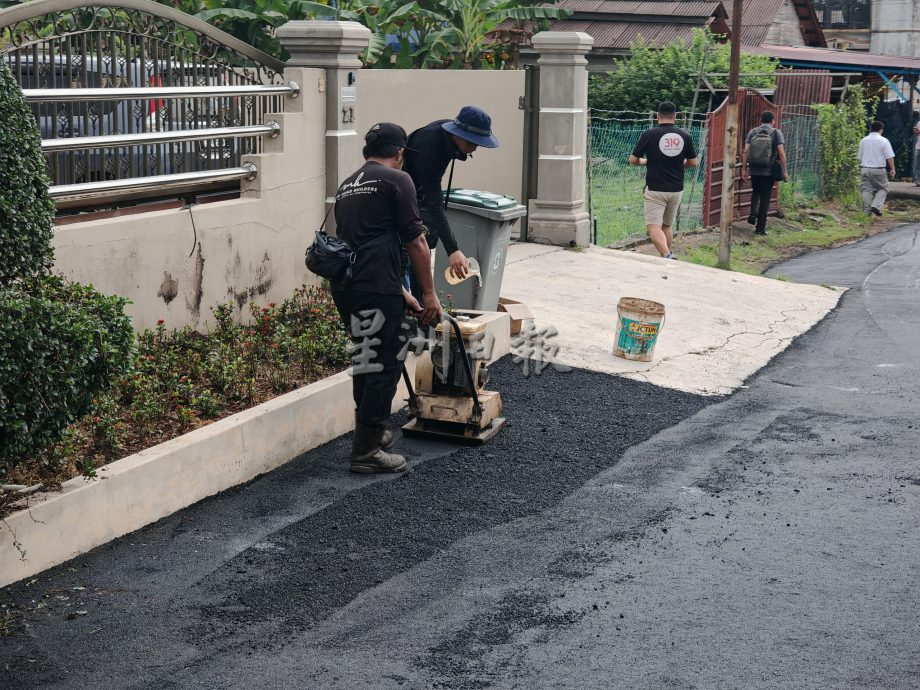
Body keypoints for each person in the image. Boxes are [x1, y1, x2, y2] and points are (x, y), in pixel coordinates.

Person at [331, 122, 442, 474]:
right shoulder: (398, 180)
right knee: (384, 363)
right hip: (376, 286)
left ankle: (371, 437)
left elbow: (364, 245)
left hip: (350, 287)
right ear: (400, 152)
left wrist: (402, 292)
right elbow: (415, 241)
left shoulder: (348, 185)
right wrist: (428, 294)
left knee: (366, 359)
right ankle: (365, 452)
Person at [403, 106, 499, 296]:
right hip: (402, 199)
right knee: (408, 256)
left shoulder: (445, 136)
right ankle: (412, 309)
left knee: (420, 253)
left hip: (417, 195)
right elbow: (435, 203)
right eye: (474, 142)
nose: (475, 148)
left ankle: (420, 307)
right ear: (460, 135)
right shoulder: (431, 148)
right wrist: (453, 250)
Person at [628, 101, 698, 259]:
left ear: (658, 116)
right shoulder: (684, 135)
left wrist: (645, 161)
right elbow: (693, 163)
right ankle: (666, 257)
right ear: (674, 116)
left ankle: (667, 254)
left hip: (655, 189)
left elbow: (633, 160)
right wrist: (678, 163)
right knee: (666, 226)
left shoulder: (649, 134)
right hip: (676, 189)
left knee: (653, 227)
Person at [741, 111, 788, 236]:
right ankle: (760, 228)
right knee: (765, 199)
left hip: (754, 170)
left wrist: (744, 169)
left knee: (756, 192)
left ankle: (752, 214)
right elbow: (781, 153)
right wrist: (785, 171)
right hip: (768, 171)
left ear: (761, 120)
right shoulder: (776, 133)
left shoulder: (753, 132)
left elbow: (745, 151)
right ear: (773, 121)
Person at [857, 120, 896, 216]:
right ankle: (876, 206)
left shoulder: (863, 140)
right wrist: (892, 169)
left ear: (871, 129)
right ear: (881, 129)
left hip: (865, 168)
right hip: (878, 169)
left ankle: (866, 212)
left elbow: (859, 157)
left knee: (866, 190)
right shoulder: (884, 141)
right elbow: (889, 156)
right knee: (883, 188)